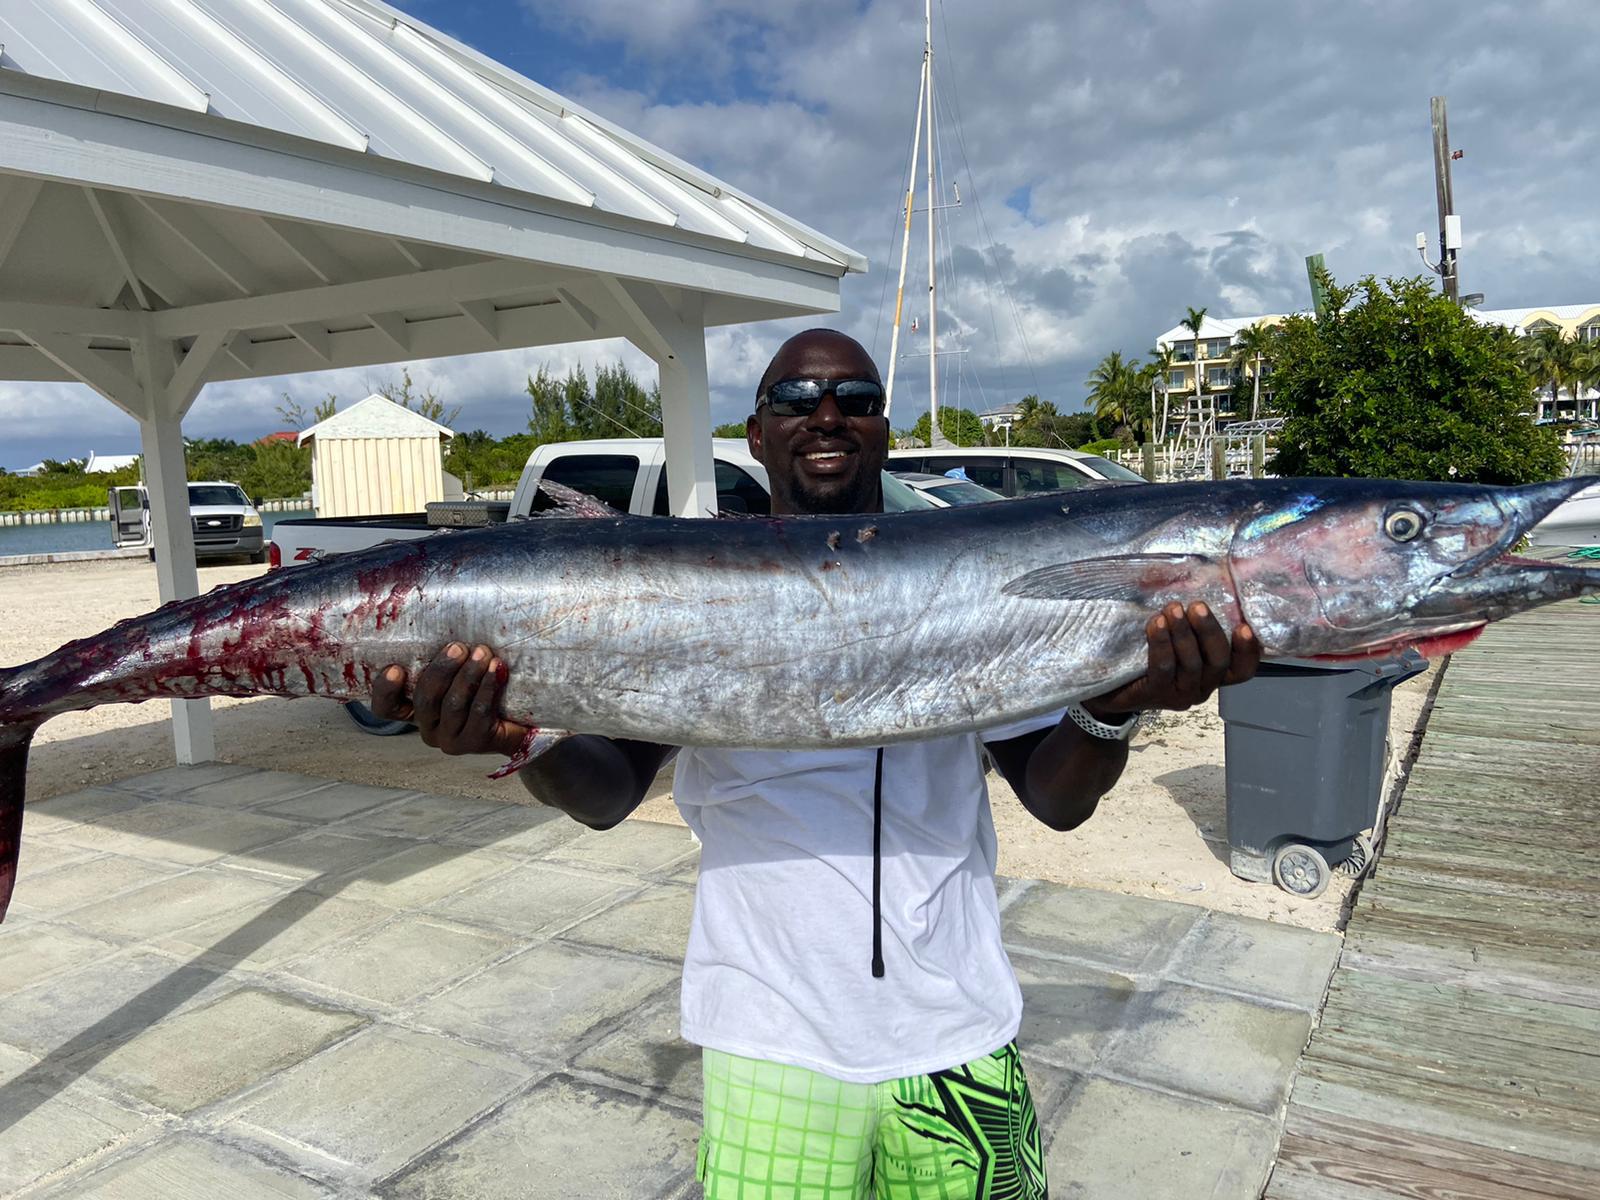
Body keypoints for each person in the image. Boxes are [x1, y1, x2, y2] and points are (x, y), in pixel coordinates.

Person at [371, 329, 1260, 1199]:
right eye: (797, 399)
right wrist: (519, 738)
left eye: (857, 401)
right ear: (757, 434)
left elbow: (1055, 799)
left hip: (955, 1030)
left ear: (884, 432)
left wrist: (1115, 706)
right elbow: (606, 793)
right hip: (768, 1040)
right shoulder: (689, 593)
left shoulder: (960, 584)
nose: (827, 415)